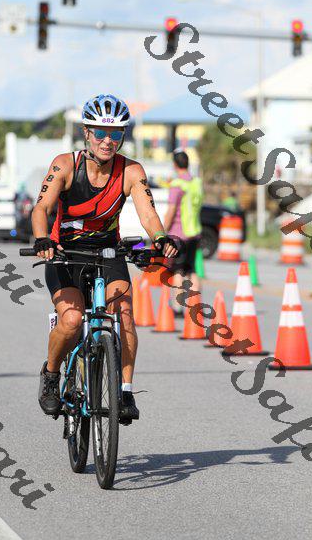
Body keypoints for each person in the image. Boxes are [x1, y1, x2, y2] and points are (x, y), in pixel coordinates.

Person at [31, 94, 178, 424]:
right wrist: (42, 239)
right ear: (86, 133)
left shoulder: (131, 171)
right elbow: (41, 208)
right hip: (65, 253)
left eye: (115, 134)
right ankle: (51, 375)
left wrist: (160, 238)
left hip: (108, 252)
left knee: (124, 313)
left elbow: (148, 214)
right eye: (100, 133)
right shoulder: (65, 165)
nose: (107, 141)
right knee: (71, 321)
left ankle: (124, 390)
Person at [163, 149, 203, 312]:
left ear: (175, 164)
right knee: (192, 269)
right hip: (195, 232)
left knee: (178, 270)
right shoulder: (196, 182)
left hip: (179, 233)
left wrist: (163, 232)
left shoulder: (177, 184)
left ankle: (178, 307)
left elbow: (171, 211)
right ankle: (195, 305)